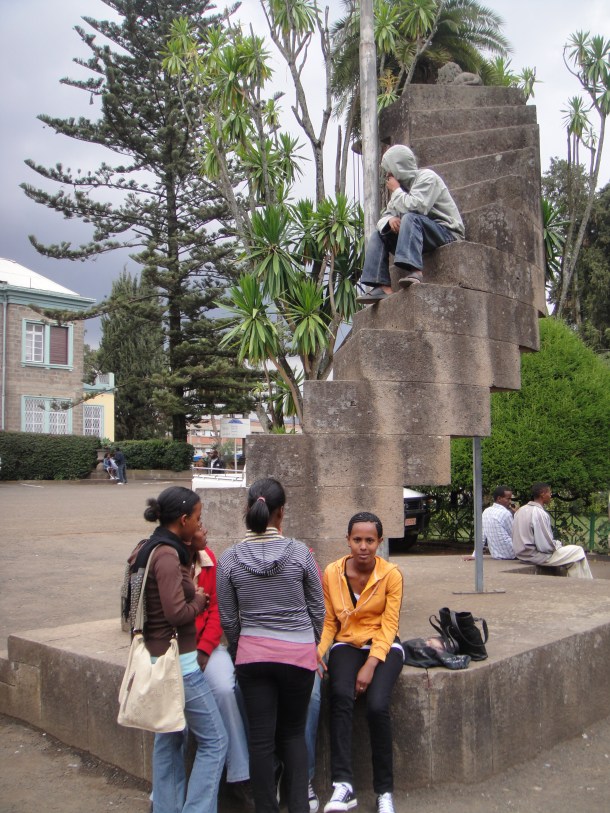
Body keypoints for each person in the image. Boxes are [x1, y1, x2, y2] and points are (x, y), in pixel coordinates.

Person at [217, 477, 326, 813]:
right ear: (281, 512)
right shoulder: (300, 553)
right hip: (298, 657)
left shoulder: (229, 559)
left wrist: (240, 650)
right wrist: (311, 643)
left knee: (260, 741)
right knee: (293, 735)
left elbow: (229, 619)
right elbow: (317, 609)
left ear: (249, 509)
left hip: (253, 658)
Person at [129, 486, 228, 813]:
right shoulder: (168, 556)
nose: (201, 525)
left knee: (169, 737)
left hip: (156, 655)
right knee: (215, 741)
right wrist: (200, 599)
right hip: (179, 662)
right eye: (198, 519)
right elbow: (176, 612)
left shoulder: (149, 547)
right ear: (183, 520)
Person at [318, 512, 404, 813]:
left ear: (380, 542)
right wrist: (317, 653)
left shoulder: (391, 574)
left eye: (370, 540)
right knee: (340, 694)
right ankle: (343, 784)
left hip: (384, 645)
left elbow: (390, 625)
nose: (363, 546)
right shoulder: (331, 572)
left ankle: (384, 791)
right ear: (348, 540)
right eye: (357, 540)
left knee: (377, 705)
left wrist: (370, 664)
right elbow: (330, 622)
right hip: (346, 643)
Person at [191, 523, 253, 810]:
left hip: (208, 647)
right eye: (198, 521)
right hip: (173, 651)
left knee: (227, 690)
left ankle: (240, 777)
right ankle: (166, 792)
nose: (205, 528)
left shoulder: (210, 560)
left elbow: (218, 610)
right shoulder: (166, 562)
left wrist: (205, 650)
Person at [356, 144, 464, 304]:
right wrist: (389, 220)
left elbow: (418, 207)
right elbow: (383, 218)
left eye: (390, 170)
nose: (388, 175)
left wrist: (397, 191)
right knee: (380, 233)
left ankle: (416, 272)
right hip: (422, 236)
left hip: (447, 233)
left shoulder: (427, 177)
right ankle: (382, 286)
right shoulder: (402, 191)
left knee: (410, 218)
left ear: (398, 167)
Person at [512, 482, 593, 578]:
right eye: (549, 493)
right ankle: (588, 583)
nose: (551, 495)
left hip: (522, 555)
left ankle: (581, 583)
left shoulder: (520, 510)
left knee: (574, 561)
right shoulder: (539, 513)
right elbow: (545, 546)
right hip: (535, 556)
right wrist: (557, 545)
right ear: (542, 494)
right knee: (578, 551)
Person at [470, 486, 516, 560]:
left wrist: (474, 555)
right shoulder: (505, 513)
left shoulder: (486, 511)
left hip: (495, 554)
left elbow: (482, 537)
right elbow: (515, 535)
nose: (510, 501)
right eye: (508, 499)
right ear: (499, 499)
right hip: (512, 554)